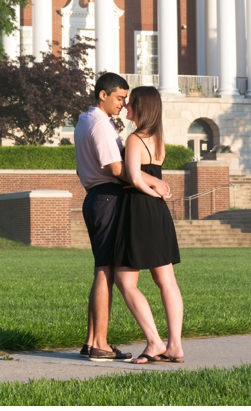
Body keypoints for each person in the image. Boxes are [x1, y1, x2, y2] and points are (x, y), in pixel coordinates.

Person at [74, 73, 170, 362]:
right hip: (107, 198)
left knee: (102, 270)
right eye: (119, 98)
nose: (123, 104)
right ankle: (100, 344)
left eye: (126, 99)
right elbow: (117, 169)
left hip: (95, 196)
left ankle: (92, 340)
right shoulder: (100, 126)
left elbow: (83, 170)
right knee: (106, 271)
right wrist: (152, 182)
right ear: (102, 95)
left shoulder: (83, 121)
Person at [112, 86, 185, 365]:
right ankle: (175, 345)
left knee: (125, 280)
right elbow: (151, 173)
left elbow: (132, 175)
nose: (126, 108)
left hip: (138, 210)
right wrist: (157, 189)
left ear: (142, 108)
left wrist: (149, 188)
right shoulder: (159, 140)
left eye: (131, 105)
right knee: (166, 281)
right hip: (158, 213)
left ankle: (154, 341)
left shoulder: (134, 139)